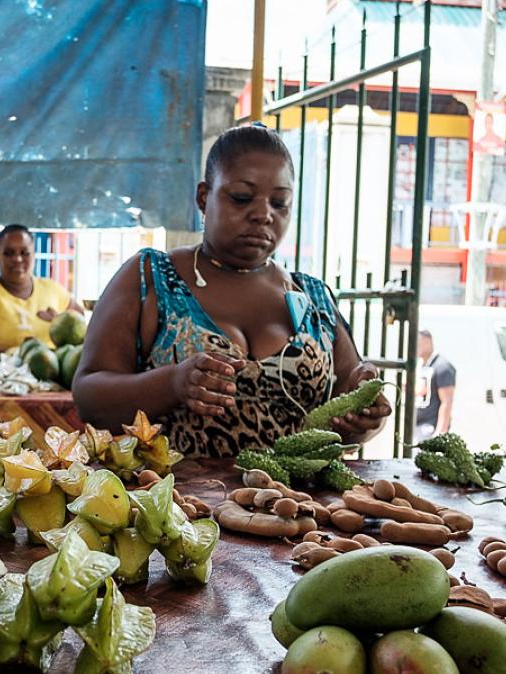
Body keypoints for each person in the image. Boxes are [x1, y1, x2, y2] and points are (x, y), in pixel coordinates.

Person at [72, 124, 391, 458]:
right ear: (203, 196)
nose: (263, 214)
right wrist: (172, 384)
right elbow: (89, 398)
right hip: (183, 504)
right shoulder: (151, 278)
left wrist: (365, 417)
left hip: (299, 504)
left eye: (280, 203)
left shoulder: (313, 298)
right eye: (241, 197)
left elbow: (350, 404)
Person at [0, 224, 85, 350]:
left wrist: (60, 322)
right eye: (8, 253)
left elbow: (81, 331)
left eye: (25, 253)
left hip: (50, 370)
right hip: (2, 370)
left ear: (34, 255)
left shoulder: (53, 290)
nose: (18, 259)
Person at [415, 329, 455, 439]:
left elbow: (447, 401)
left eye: (418, 343)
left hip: (429, 426)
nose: (415, 346)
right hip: (416, 425)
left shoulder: (442, 366)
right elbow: (422, 391)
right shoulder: (421, 364)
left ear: (427, 342)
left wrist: (440, 432)